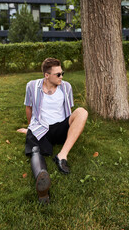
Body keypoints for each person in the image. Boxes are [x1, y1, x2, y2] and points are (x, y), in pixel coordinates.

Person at [18, 58, 88, 203]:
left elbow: (69, 110)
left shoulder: (66, 87)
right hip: (41, 127)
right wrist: (30, 127)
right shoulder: (32, 86)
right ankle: (41, 179)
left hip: (61, 126)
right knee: (35, 150)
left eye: (62, 73)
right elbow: (28, 107)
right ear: (47, 75)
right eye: (58, 74)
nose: (62, 76)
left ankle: (62, 156)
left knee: (82, 112)